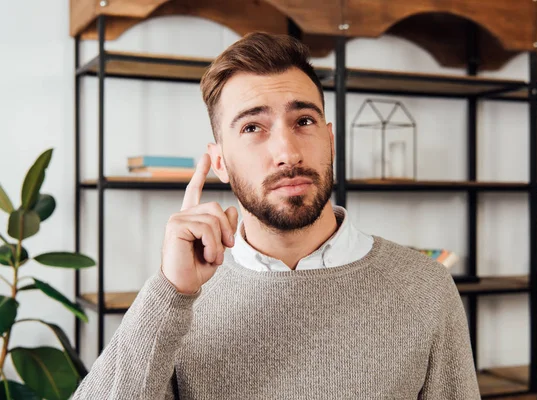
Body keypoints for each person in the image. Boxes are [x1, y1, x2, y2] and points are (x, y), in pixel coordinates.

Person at [73, 32, 480, 399]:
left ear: (330, 139)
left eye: (304, 121)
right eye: (253, 128)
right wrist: (171, 293)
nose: (287, 151)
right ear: (220, 163)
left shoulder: (426, 286)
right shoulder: (177, 301)